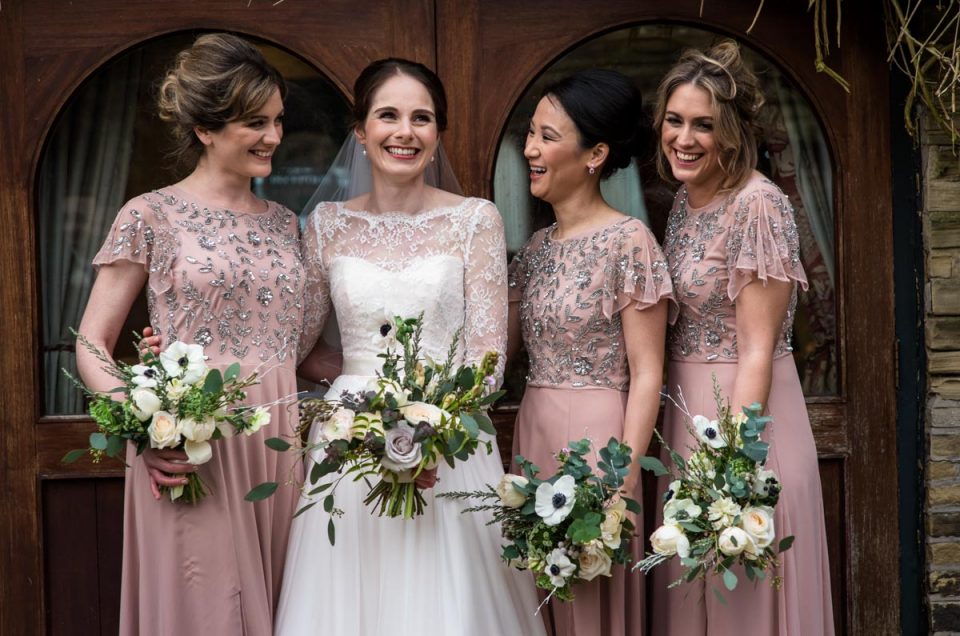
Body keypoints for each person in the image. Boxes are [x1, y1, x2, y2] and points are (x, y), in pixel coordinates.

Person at [275, 58, 546, 636]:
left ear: (438, 132)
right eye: (388, 115)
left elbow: (488, 358)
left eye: (421, 118)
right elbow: (297, 346)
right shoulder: (325, 226)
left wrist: (429, 425)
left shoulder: (476, 221)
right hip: (350, 443)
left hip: (448, 439)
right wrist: (358, 401)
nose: (405, 131)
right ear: (360, 131)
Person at [76, 33, 302, 635]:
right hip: (192, 446)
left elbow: (305, 348)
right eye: (256, 122)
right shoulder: (149, 215)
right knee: (204, 610)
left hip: (280, 446)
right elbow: (92, 341)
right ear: (205, 128)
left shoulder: (288, 226)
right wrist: (146, 426)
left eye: (278, 120)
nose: (274, 137)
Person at [650, 40, 834, 635]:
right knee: (696, 593)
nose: (684, 138)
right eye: (674, 121)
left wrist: (730, 466)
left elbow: (757, 346)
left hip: (746, 423)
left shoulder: (758, 205)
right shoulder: (684, 200)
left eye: (703, 125)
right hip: (688, 415)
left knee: (746, 602)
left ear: (733, 131)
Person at [507, 69, 674, 636]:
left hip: (598, 439)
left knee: (589, 601)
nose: (530, 148)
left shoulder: (629, 241)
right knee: (536, 594)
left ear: (595, 153)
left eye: (548, 136)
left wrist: (623, 477)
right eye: (531, 133)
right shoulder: (533, 249)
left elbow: (649, 371)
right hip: (533, 431)